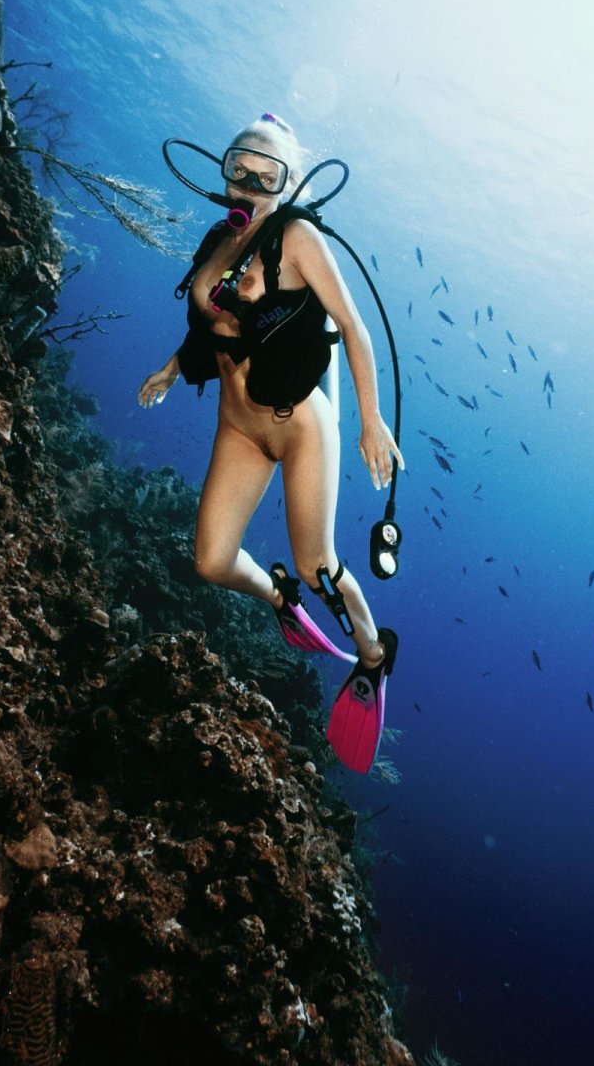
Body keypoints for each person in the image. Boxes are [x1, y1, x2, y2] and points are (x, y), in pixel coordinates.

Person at [138, 114, 404, 757]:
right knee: (211, 562)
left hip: (298, 426)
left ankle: (373, 655)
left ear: (288, 184)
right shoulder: (217, 239)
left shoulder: (299, 237)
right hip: (237, 425)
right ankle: (276, 595)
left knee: (319, 567)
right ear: (225, 168)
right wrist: (172, 369)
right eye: (240, 169)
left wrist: (371, 418)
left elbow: (355, 328)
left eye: (268, 175)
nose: (250, 185)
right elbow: (211, 323)